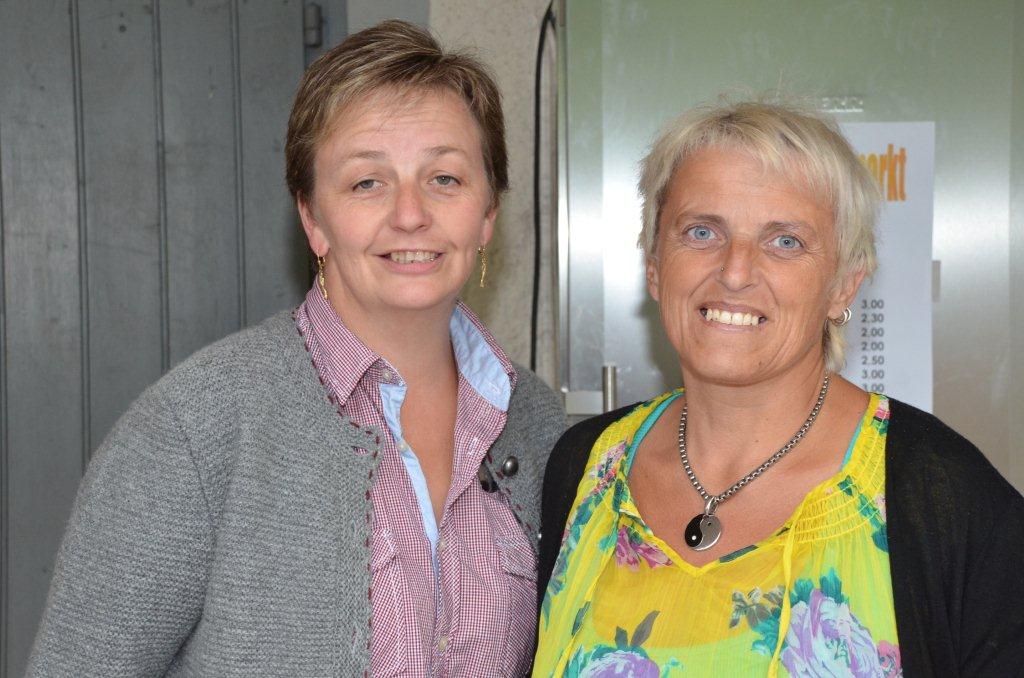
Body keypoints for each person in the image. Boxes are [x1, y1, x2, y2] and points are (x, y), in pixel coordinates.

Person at [27, 20, 564, 677]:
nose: (410, 214)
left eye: (445, 178)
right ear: (313, 219)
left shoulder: (539, 426)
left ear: (487, 215)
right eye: (367, 182)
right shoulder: (195, 429)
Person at [534, 100, 1024, 676]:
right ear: (654, 264)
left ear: (844, 284)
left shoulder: (946, 499)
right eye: (701, 232)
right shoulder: (583, 469)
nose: (735, 271)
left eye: (785, 241)